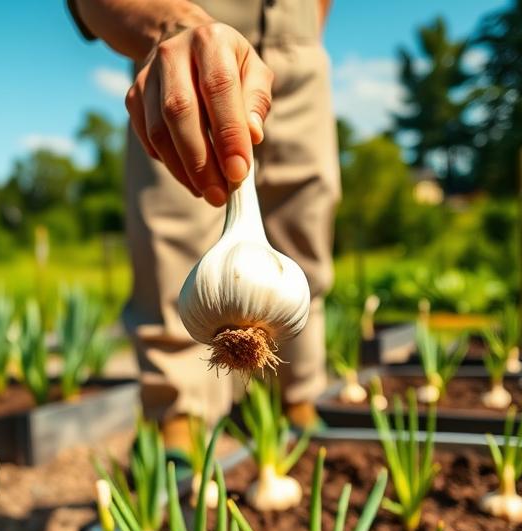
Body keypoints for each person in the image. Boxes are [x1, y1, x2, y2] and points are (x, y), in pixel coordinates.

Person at [68, 0, 338, 443]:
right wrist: (170, 23)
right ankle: (179, 418)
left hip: (300, 45)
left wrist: (304, 25)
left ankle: (297, 401)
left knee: (305, 220)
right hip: (178, 53)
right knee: (170, 230)